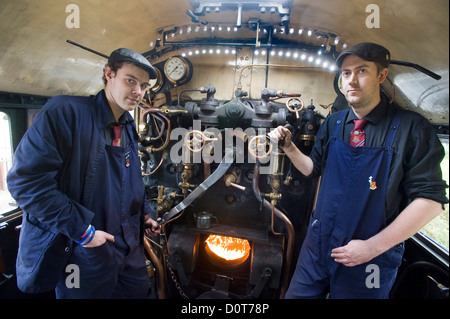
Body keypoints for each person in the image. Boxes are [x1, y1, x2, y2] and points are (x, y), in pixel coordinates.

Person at [269, 42, 448, 299]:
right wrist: (288, 146)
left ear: (381, 75)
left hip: (370, 257)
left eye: (362, 71)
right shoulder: (334, 123)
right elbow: (312, 169)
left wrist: (371, 248)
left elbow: (431, 202)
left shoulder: (412, 129)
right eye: (346, 73)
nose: (352, 81)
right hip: (318, 246)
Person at [7, 48, 161, 298]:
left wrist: (145, 214)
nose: (138, 92)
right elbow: (26, 183)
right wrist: (83, 232)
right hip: (84, 248)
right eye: (130, 80)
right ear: (108, 74)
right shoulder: (65, 112)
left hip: (129, 245)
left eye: (143, 86)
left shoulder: (129, 125)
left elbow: (130, 182)